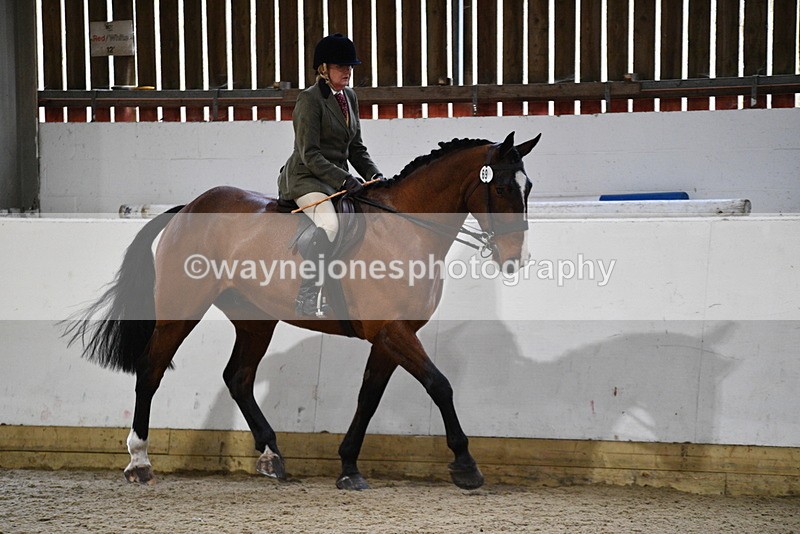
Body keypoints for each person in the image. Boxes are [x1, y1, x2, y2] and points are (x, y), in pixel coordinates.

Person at [278, 33, 384, 317]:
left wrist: (374, 175)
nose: (348, 71)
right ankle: (308, 293)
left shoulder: (349, 97)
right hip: (307, 178)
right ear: (323, 69)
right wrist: (345, 180)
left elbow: (356, 148)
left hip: (335, 178)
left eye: (350, 66)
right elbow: (309, 154)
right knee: (330, 224)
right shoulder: (309, 101)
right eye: (341, 66)